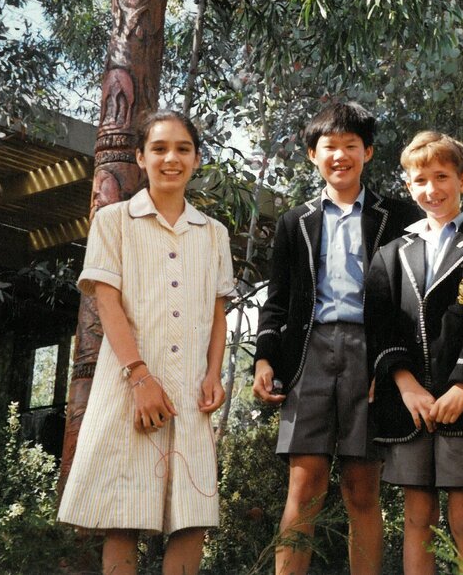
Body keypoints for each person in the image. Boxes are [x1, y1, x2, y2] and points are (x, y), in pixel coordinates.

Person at [58, 110, 235, 575]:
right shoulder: (114, 221)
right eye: (158, 148)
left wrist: (214, 373)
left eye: (182, 148)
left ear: (196, 159)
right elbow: (107, 303)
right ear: (140, 156)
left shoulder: (214, 234)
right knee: (124, 516)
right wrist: (140, 377)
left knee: (191, 518)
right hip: (129, 386)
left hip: (191, 392)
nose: (170, 158)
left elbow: (217, 312)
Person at [252, 102, 420, 575]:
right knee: (304, 488)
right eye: (330, 146)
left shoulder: (400, 217)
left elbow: (413, 297)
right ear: (313, 154)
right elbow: (277, 302)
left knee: (362, 490)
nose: (340, 155)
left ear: (367, 152)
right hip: (309, 356)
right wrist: (265, 360)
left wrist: (393, 364)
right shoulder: (294, 222)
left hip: (371, 356)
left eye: (351, 145)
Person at [365, 131, 463, 575]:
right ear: (407, 186)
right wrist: (407, 385)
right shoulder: (392, 254)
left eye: (441, 176)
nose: (431, 189)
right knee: (418, 518)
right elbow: (381, 323)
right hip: (410, 404)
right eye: (420, 180)